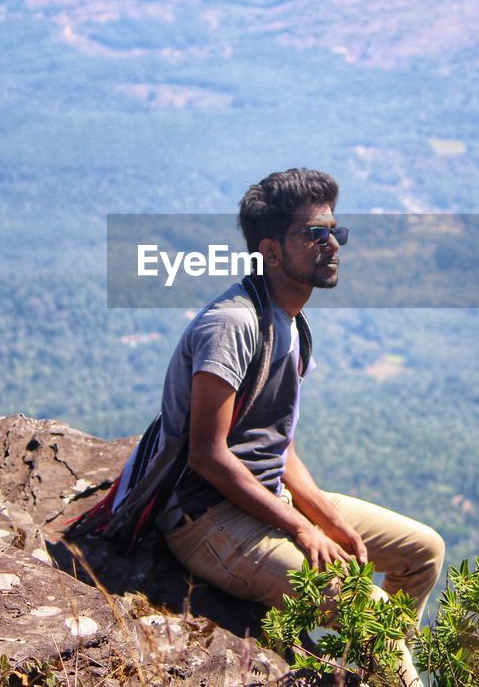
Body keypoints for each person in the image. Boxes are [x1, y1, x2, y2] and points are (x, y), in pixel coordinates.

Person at [154, 168, 444, 685]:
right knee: (370, 606)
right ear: (269, 250)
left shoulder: (289, 321)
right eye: (314, 235)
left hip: (265, 500)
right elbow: (207, 454)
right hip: (207, 520)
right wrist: (301, 527)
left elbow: (276, 445)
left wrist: (322, 515)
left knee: (424, 551)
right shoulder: (234, 325)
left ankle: (380, 670)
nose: (332, 244)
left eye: (335, 231)